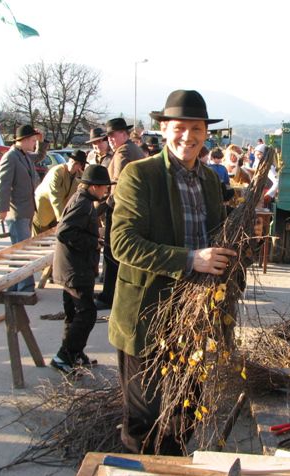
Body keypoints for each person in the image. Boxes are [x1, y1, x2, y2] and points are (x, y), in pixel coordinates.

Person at [109, 89, 236, 454]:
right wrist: (190, 259)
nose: (189, 136)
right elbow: (123, 243)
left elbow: (218, 238)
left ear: (205, 133)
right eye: (180, 127)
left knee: (185, 415)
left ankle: (174, 469)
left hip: (194, 320)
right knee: (143, 421)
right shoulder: (140, 175)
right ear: (164, 129)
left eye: (197, 128)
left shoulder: (210, 180)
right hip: (146, 317)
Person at [50, 164, 112, 374]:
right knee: (86, 314)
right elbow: (65, 232)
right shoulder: (82, 204)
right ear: (94, 187)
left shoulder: (83, 200)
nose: (106, 191)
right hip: (75, 270)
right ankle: (64, 356)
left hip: (70, 269)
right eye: (104, 187)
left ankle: (75, 352)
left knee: (74, 314)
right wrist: (93, 243)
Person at [94, 117, 146, 310]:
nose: (110, 140)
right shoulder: (133, 149)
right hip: (132, 208)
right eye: (108, 137)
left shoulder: (124, 152)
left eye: (113, 135)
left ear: (124, 133)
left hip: (120, 209)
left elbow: (119, 185)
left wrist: (104, 207)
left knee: (111, 252)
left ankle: (109, 296)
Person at [0, 124, 42, 292]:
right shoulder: (11, 157)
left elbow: (39, 156)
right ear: (23, 140)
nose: (34, 143)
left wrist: (43, 143)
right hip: (17, 211)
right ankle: (25, 286)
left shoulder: (23, 155)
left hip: (27, 210)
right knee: (22, 252)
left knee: (18, 251)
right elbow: (2, 184)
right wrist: (2, 207)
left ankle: (13, 284)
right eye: (32, 140)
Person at [32, 149, 87, 235]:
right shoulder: (57, 172)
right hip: (43, 208)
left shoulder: (80, 176)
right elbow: (55, 197)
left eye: (76, 163)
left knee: (55, 240)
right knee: (38, 240)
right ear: (69, 160)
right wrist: (62, 219)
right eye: (72, 161)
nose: (73, 164)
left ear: (80, 165)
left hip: (59, 213)